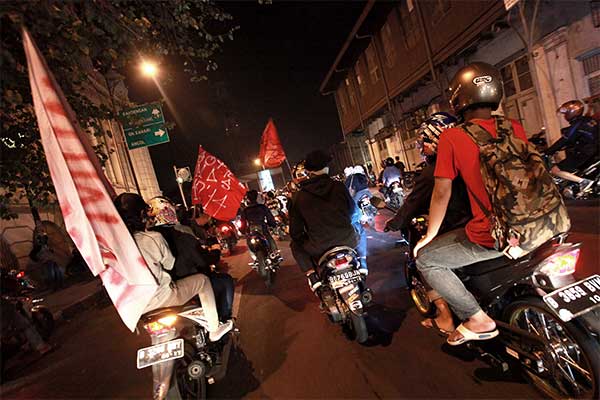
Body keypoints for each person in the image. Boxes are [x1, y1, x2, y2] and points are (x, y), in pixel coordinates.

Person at [412, 62, 531, 345]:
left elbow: (441, 193)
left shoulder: (453, 137)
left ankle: (476, 318)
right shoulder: (514, 126)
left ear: (458, 99)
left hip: (493, 234)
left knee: (427, 260)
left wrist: (428, 236)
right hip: (538, 224)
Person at [385, 112, 471, 334]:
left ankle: (445, 315)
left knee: (424, 257)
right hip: (490, 221)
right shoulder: (471, 155)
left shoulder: (434, 171)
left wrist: (395, 223)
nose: (421, 146)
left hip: (460, 227)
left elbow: (415, 202)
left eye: (423, 141)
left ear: (435, 140)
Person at [114, 193, 232, 342]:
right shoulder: (153, 238)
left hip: (135, 308)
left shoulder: (114, 247)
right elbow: (170, 263)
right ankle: (214, 329)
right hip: (162, 298)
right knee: (203, 281)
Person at [147, 197, 234, 321]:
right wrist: (215, 250)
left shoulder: (144, 242)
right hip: (180, 290)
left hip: (153, 298)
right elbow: (203, 260)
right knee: (225, 280)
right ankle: (223, 320)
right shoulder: (182, 237)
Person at [289, 150, 360, 293]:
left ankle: (312, 276)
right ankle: (362, 266)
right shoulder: (339, 186)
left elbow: (295, 232)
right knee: (359, 230)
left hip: (318, 247)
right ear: (327, 167)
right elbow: (352, 211)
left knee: (295, 244)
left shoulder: (298, 197)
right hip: (348, 241)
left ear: (308, 171)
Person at [546, 100, 598, 195]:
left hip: (585, 152)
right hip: (594, 150)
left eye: (565, 113)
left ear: (572, 113)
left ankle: (583, 181)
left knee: (555, 170)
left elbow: (565, 139)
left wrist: (548, 151)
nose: (565, 116)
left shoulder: (577, 125)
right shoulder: (588, 120)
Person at [240, 190, 280, 260]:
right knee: (269, 237)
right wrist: (272, 224)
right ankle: (275, 253)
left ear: (248, 199)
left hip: (252, 230)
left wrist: (243, 230)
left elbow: (243, 223)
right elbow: (270, 218)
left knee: (249, 242)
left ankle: (255, 257)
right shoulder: (262, 207)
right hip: (262, 227)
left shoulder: (245, 210)